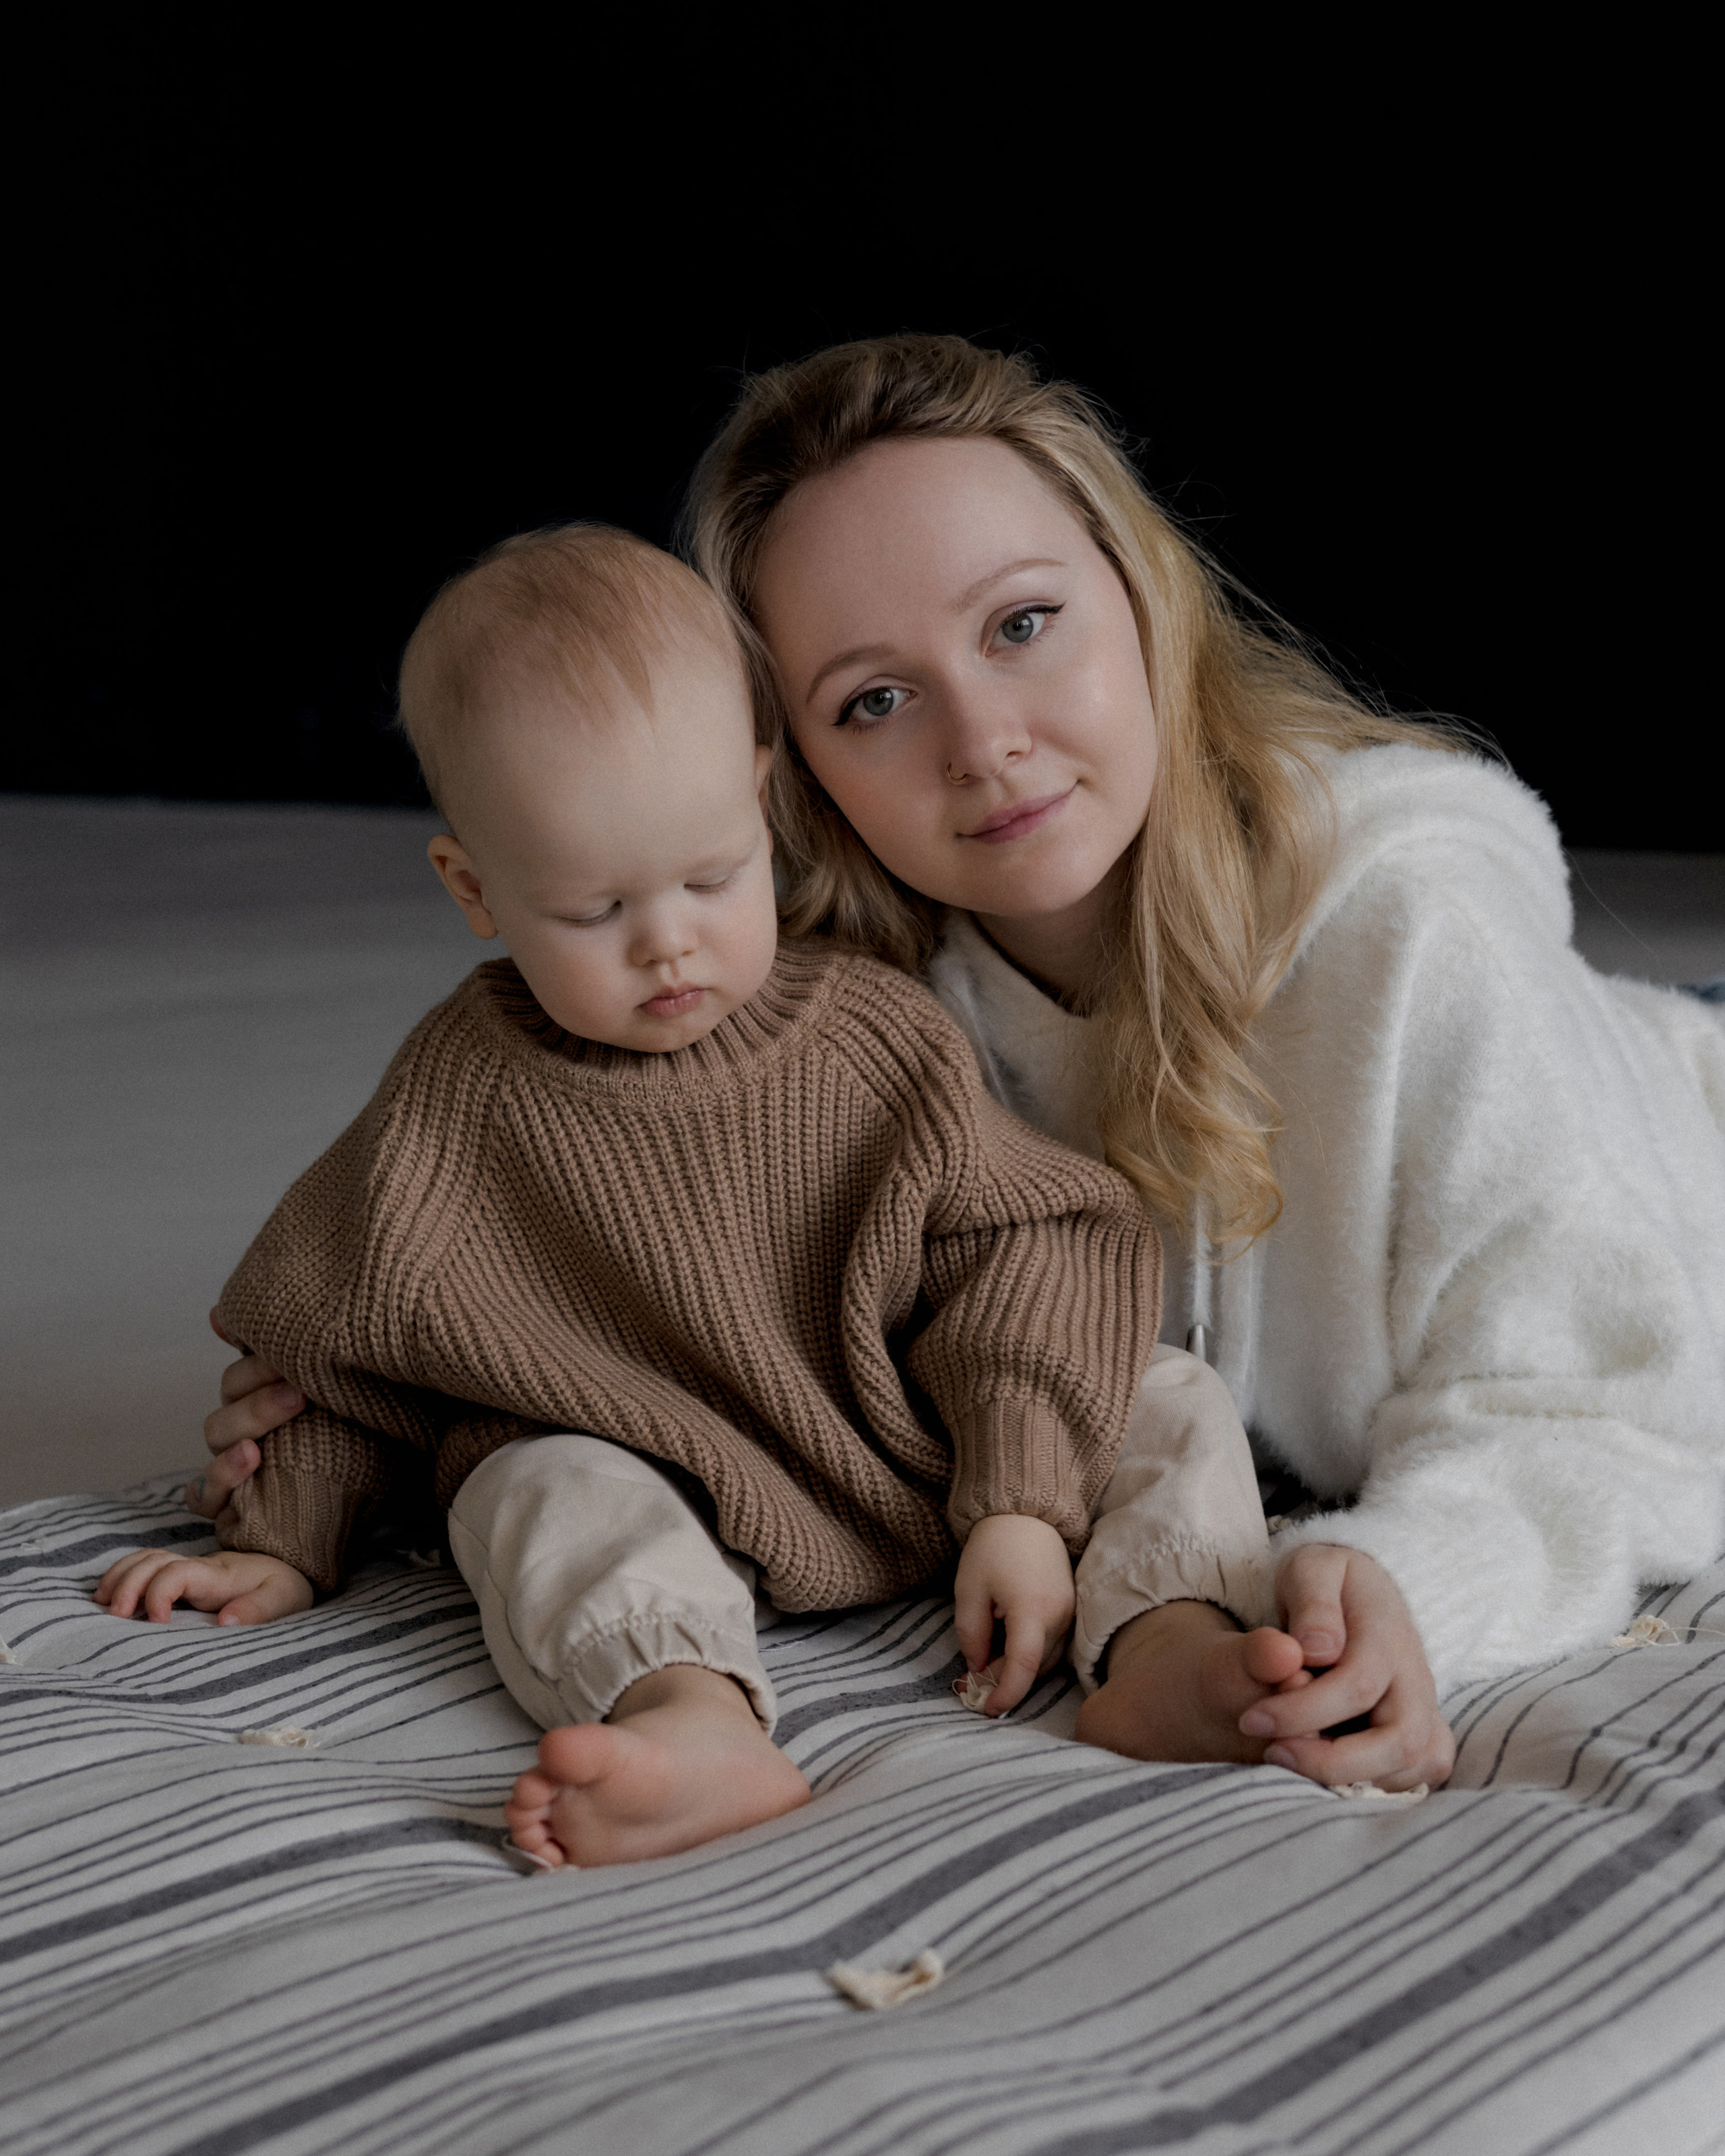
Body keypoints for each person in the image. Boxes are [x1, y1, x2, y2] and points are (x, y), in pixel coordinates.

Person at [194, 336, 1725, 1793]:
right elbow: (680, 1275)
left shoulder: (1413, 926)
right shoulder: (847, 1002)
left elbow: (1608, 1412)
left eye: (1019, 624)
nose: (981, 740)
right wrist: (374, 1372)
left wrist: (1396, 1584)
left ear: (1139, 593)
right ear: (783, 766)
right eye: (873, 697)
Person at [97, 523, 1294, 1868]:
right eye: (595, 908)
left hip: (912, 1446)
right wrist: (285, 1533)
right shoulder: (456, 1099)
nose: (667, 942)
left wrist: (1017, 1494)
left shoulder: (870, 1038)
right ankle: (687, 1708)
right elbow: (343, 1347)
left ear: (764, 800)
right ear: (473, 887)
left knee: (1163, 1392)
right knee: (534, 1487)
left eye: (712, 877)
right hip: (658, 1477)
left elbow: (1030, 1246)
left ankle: (1164, 1636)